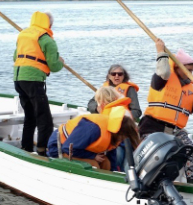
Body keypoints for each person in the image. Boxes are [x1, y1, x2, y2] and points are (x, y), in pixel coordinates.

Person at [137, 38, 193, 183]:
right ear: (177, 67)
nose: (190, 74)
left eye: (192, 71)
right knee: (156, 151)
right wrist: (160, 52)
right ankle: (147, 179)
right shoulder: (161, 79)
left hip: (175, 130)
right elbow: (164, 71)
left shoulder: (188, 88)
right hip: (153, 126)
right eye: (188, 70)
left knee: (189, 148)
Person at [13, 11, 65, 156]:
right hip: (33, 80)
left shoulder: (23, 35)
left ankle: (26, 147)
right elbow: (54, 66)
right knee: (45, 120)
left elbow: (14, 57)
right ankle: (42, 151)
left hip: (18, 78)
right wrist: (61, 62)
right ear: (49, 24)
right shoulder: (47, 40)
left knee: (30, 116)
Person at [47, 106, 140, 171]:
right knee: (93, 165)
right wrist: (93, 156)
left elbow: (112, 157)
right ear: (121, 132)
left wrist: (114, 172)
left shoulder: (115, 133)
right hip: (58, 147)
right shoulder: (93, 128)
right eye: (125, 135)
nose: (124, 139)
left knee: (106, 163)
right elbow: (67, 148)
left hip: (79, 150)